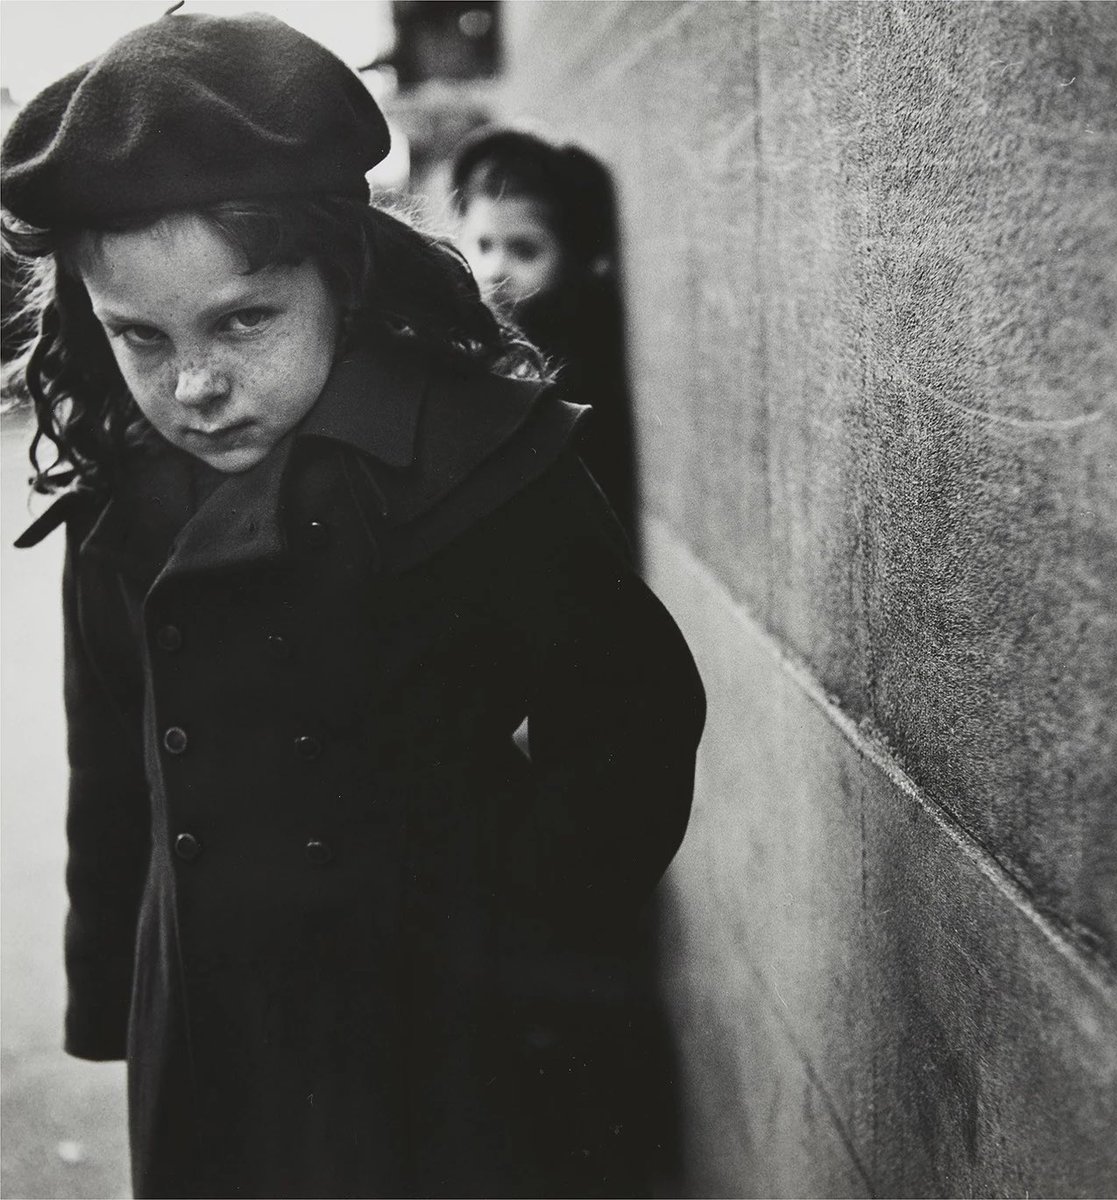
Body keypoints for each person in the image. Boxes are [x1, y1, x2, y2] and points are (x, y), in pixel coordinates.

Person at [1, 13, 705, 1199]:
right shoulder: (119, 500)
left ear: (343, 271)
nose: (196, 385)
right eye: (137, 337)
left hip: (441, 1030)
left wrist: (518, 942)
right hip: (214, 1018)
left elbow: (631, 723)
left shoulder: (479, 461)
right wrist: (114, 995)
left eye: (243, 321)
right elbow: (115, 769)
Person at [451, 128, 641, 561]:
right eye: (483, 245)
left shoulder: (571, 369)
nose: (494, 269)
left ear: (572, 258)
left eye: (524, 250)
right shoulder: (474, 342)